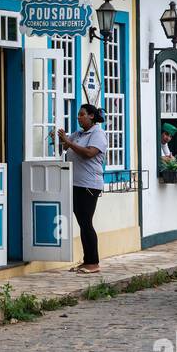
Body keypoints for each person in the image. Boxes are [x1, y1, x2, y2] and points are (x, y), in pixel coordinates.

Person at [58, 103, 108, 274]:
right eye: (78, 115)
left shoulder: (98, 134)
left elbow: (89, 153)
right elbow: (65, 146)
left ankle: (93, 262)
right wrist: (61, 139)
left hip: (89, 185)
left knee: (86, 222)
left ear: (91, 116)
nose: (78, 117)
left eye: (81, 114)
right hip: (76, 184)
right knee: (82, 222)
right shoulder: (79, 134)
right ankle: (87, 261)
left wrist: (68, 143)